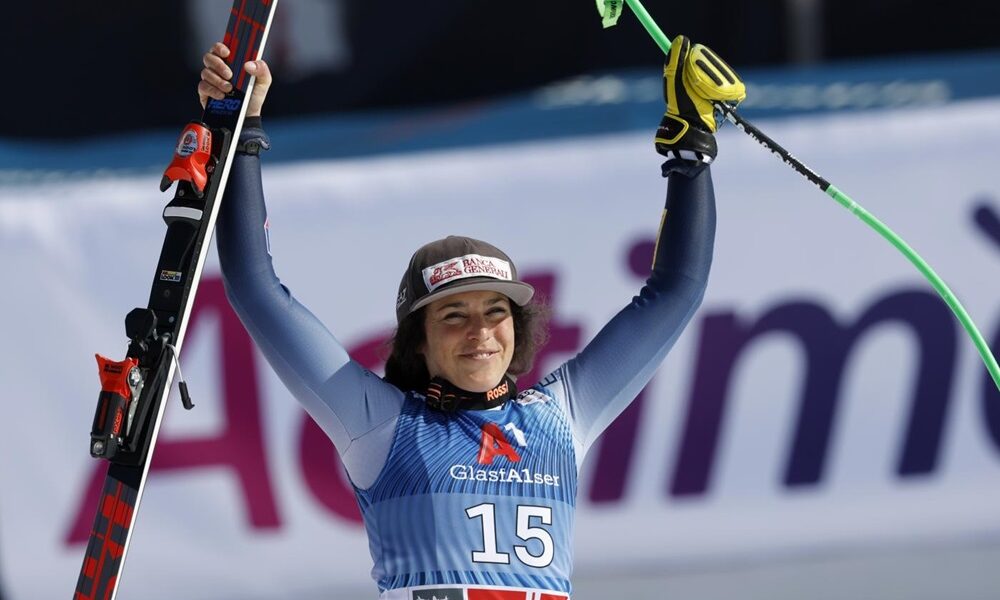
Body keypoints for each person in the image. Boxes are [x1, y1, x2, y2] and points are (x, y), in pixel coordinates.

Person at [203, 35, 744, 600]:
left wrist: (691, 150)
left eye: (495, 311)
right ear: (418, 341)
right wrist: (240, 132)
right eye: (454, 315)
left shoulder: (560, 417)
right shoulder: (381, 423)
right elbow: (256, 287)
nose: (481, 332)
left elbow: (677, 290)